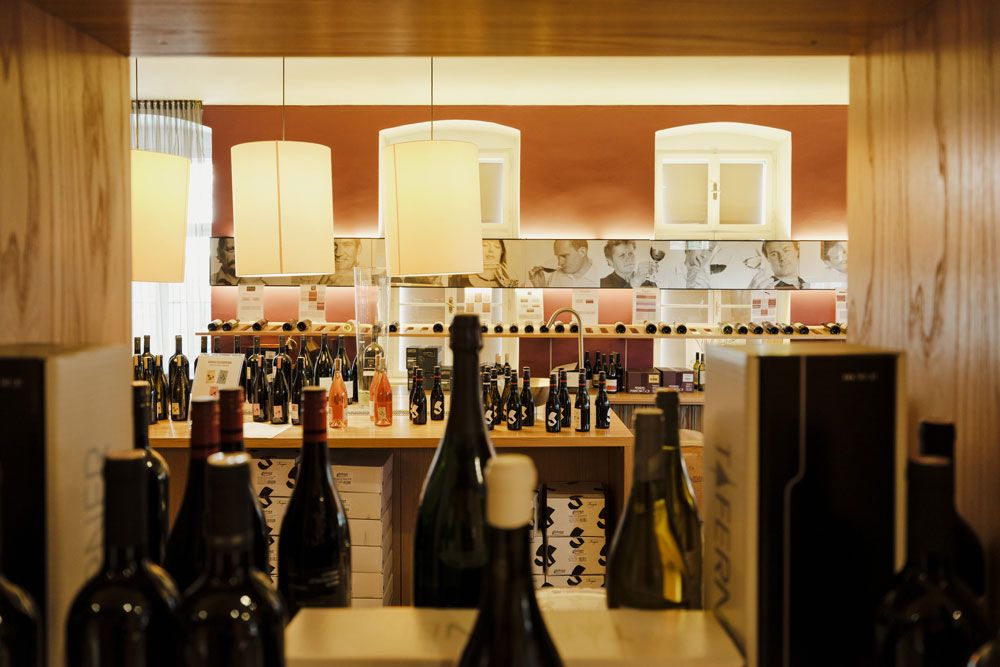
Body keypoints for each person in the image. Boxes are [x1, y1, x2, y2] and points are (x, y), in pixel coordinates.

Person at [528, 239, 607, 287]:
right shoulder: (555, 276)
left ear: (582, 252)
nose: (559, 263)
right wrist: (541, 287)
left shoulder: (602, 278)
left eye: (564, 256)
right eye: (557, 257)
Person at [448, 239, 520, 287]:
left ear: (502, 252)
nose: (491, 250)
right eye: (484, 245)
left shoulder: (509, 281)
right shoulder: (459, 277)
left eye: (496, 246)